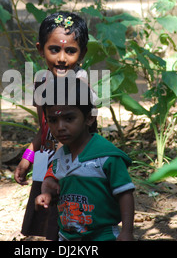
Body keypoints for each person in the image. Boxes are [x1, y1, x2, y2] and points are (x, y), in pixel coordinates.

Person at [14, 11, 91, 240]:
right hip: (46, 157)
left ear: (82, 53)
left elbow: (87, 132)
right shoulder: (41, 81)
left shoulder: (81, 84)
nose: (61, 58)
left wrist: (58, 168)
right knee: (46, 219)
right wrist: (28, 156)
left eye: (70, 50)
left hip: (74, 160)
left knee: (72, 219)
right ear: (41, 49)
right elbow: (44, 128)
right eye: (54, 49)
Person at [35, 78, 135, 241]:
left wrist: (127, 232)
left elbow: (125, 193)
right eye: (53, 120)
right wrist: (47, 193)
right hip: (67, 236)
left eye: (69, 119)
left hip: (103, 236)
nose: (60, 127)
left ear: (89, 118)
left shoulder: (106, 156)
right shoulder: (60, 155)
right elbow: (55, 184)